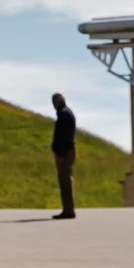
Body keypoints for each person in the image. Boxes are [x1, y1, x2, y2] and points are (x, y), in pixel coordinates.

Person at [50, 91, 78, 219]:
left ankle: (68, 210)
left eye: (54, 102)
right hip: (67, 151)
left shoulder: (64, 115)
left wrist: (60, 154)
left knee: (65, 181)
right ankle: (67, 209)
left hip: (65, 152)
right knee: (66, 181)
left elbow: (63, 137)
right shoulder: (66, 113)